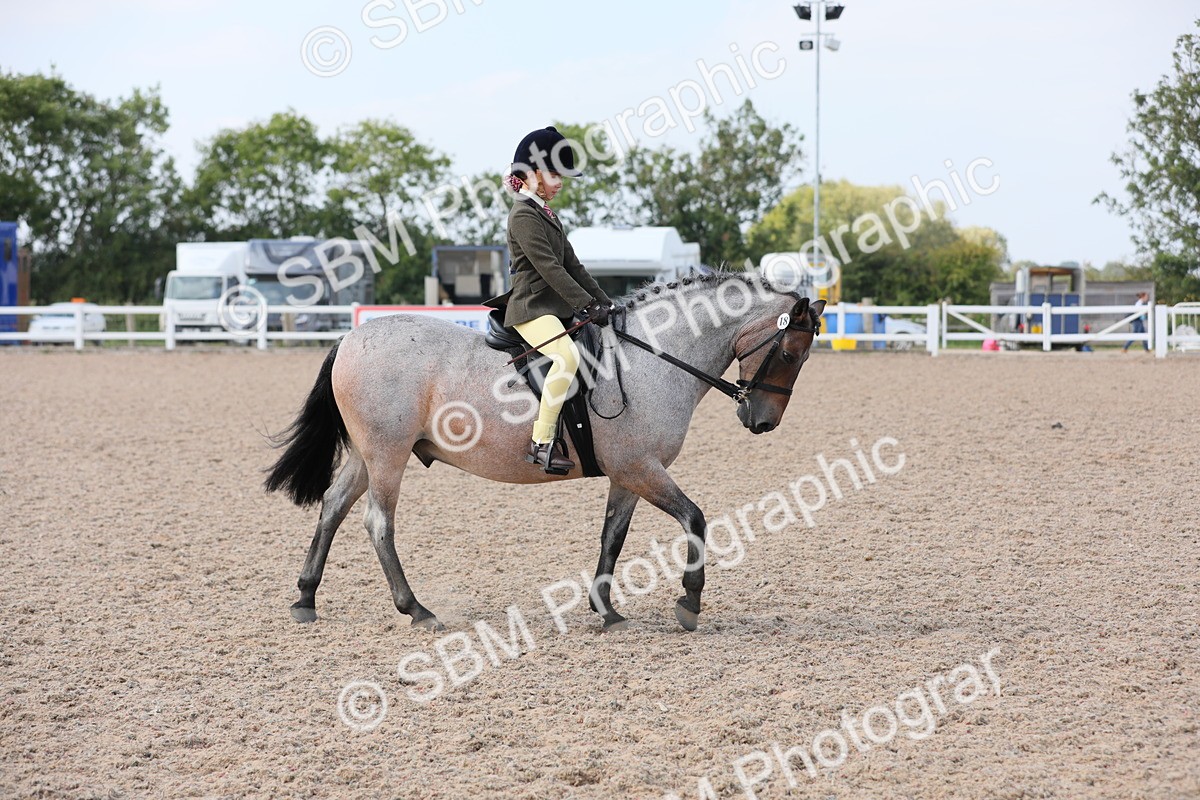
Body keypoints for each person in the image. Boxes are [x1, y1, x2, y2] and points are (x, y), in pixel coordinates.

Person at [483, 126, 614, 473]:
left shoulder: (546, 214)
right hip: (531, 308)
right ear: (533, 174)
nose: (560, 183)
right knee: (566, 358)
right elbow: (551, 269)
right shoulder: (523, 215)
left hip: (552, 307)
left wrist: (606, 302)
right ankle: (541, 442)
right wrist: (587, 305)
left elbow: (574, 265)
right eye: (555, 174)